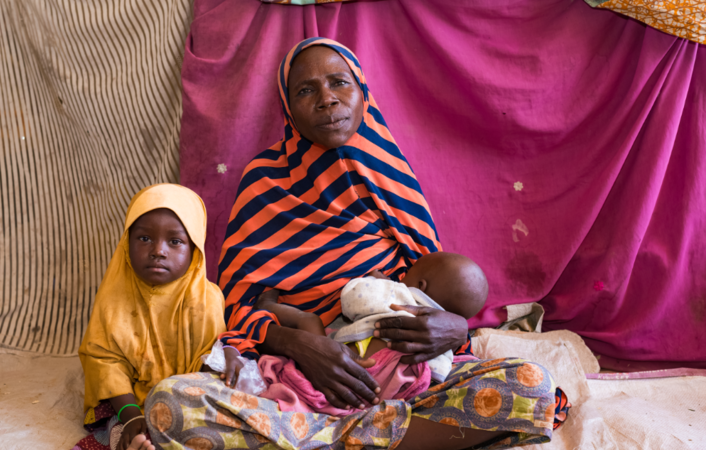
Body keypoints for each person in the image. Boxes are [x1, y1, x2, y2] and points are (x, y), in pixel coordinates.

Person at [144, 38, 567, 450]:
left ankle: (328, 441)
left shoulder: (389, 172)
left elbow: (432, 286)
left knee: (532, 388)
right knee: (170, 403)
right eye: (306, 90)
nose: (327, 99)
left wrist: (455, 327)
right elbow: (235, 305)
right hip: (296, 385)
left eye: (339, 83)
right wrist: (299, 344)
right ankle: (382, 439)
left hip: (401, 379)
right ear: (287, 107)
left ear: (362, 91)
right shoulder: (264, 182)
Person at [227, 252, 487, 416]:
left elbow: (351, 300)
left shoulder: (398, 296)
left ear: (420, 285)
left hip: (330, 370)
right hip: (372, 399)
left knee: (310, 320)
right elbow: (439, 377)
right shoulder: (443, 345)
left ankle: (269, 307)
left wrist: (378, 282)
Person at [74, 184, 226, 450]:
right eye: (144, 239)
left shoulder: (206, 300)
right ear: (126, 242)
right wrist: (132, 413)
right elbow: (104, 361)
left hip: (185, 401)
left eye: (175, 241)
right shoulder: (114, 296)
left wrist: (174, 408)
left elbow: (209, 365)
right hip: (127, 401)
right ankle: (136, 442)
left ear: (195, 250)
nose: (159, 250)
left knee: (204, 428)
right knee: (120, 429)